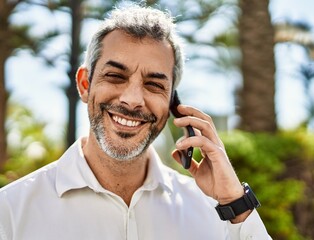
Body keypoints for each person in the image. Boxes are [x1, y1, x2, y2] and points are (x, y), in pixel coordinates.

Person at [0, 3, 271, 240]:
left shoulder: (215, 211)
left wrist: (236, 204)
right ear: (85, 84)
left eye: (154, 84)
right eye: (116, 76)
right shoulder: (10, 211)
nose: (132, 100)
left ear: (172, 105)